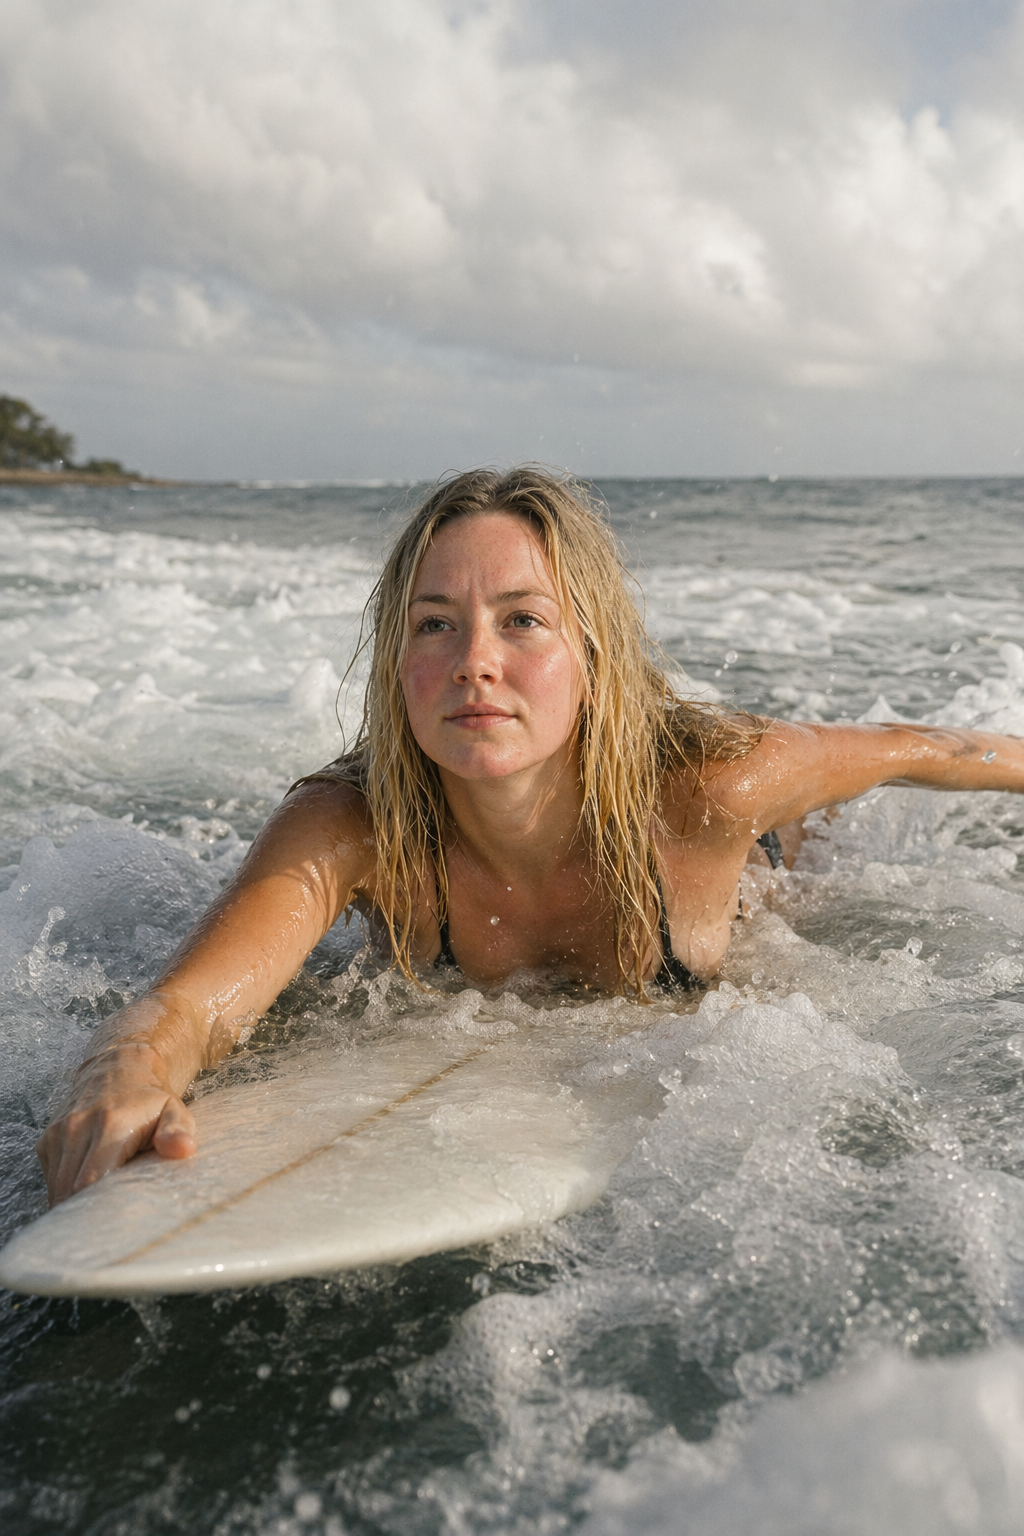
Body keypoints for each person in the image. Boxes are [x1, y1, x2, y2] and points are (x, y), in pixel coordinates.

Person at [36, 468, 1024, 1206]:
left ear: (591, 656)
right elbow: (187, 1011)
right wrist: (120, 1075)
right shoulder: (352, 826)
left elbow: (915, 745)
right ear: (396, 666)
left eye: (521, 621)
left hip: (759, 859)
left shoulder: (716, 782)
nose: (474, 662)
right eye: (433, 626)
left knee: (800, 867)